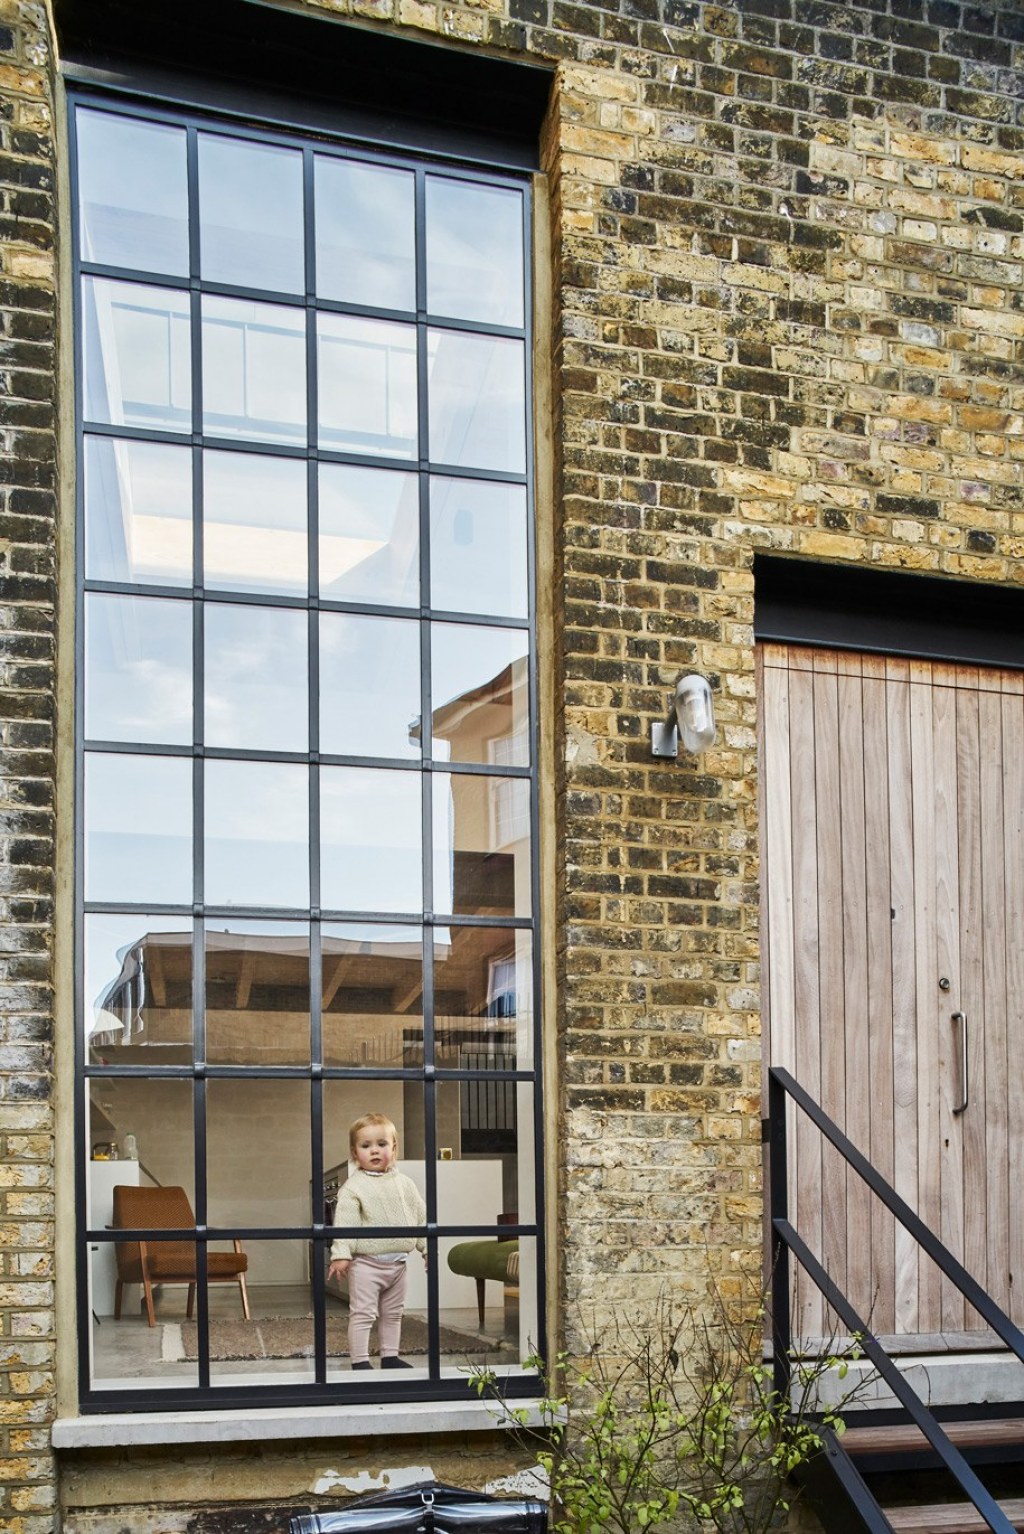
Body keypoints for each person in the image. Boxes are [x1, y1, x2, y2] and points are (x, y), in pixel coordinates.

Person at [327, 1112, 427, 1370]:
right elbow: (345, 1222)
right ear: (354, 1153)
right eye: (366, 1146)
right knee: (363, 1314)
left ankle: (390, 1357)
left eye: (382, 1144)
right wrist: (341, 1254)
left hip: (398, 1265)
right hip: (366, 1265)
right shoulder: (353, 1187)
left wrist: (426, 1247)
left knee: (393, 1313)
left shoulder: (405, 1184)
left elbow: (419, 1215)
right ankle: (359, 1361)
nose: (374, 1151)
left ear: (394, 1149)